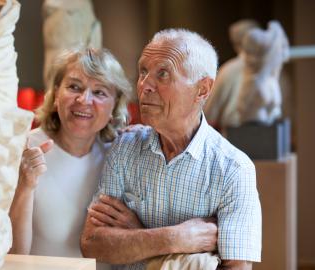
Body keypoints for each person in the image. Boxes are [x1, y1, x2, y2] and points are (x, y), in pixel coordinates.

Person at [81, 29, 262, 269]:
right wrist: (178, 238)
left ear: (203, 89)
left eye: (163, 74)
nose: (144, 85)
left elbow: (237, 268)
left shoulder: (234, 169)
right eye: (143, 71)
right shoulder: (125, 147)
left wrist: (137, 235)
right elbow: (93, 243)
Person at [8, 47, 138, 270]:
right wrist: (25, 186)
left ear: (115, 105)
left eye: (99, 92)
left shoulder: (120, 158)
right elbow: (13, 258)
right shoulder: (24, 148)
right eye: (74, 87)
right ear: (56, 94)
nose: (84, 100)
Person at [203, 19, 259, 128]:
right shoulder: (275, 69)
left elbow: (209, 113)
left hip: (234, 134)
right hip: (270, 134)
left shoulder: (228, 70)